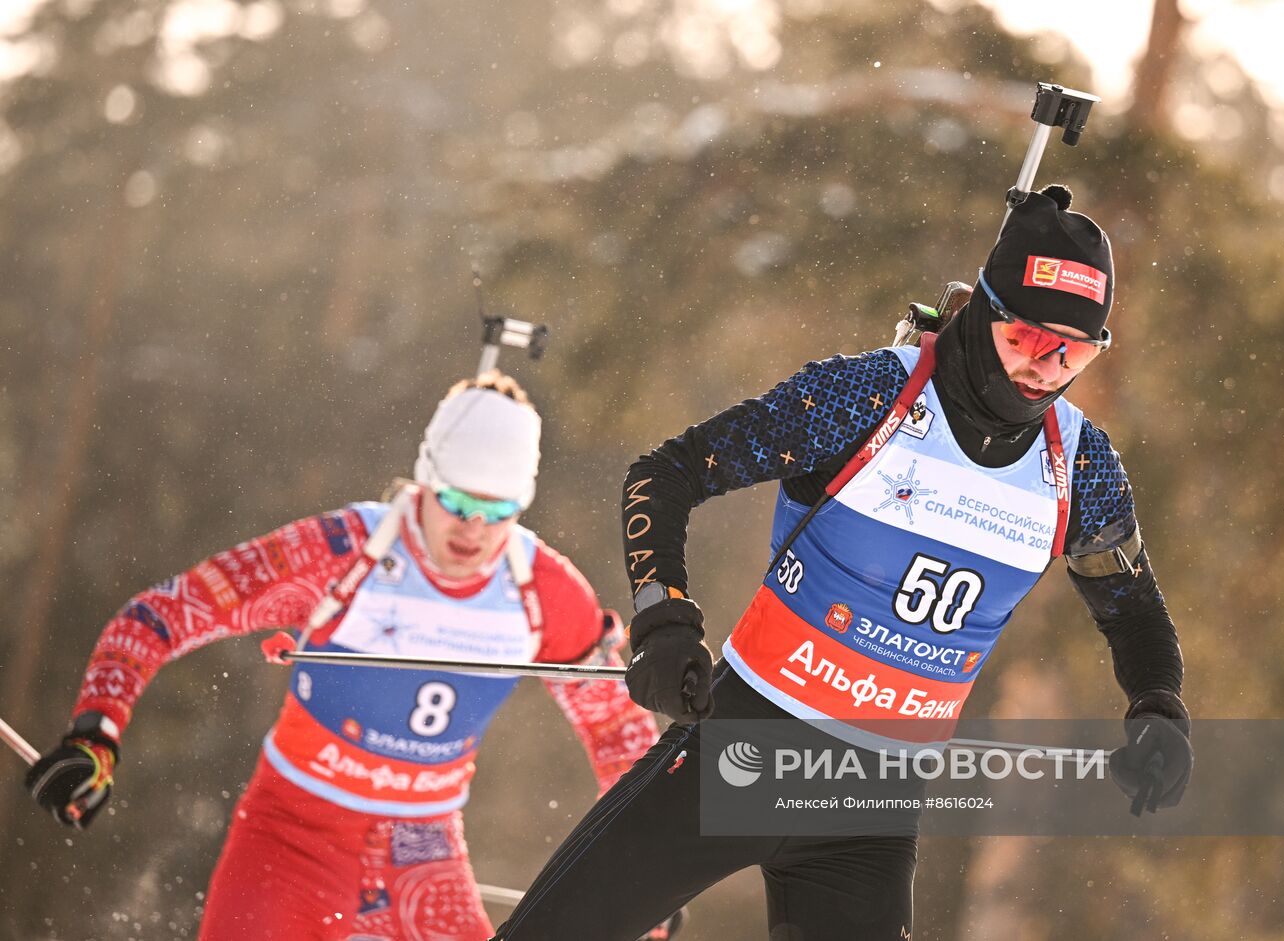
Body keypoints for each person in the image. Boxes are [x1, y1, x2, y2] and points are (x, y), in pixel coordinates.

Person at [490, 185, 1193, 940]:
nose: (1046, 369)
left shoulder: (1078, 462)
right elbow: (666, 473)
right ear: (987, 308)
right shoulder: (871, 395)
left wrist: (1158, 708)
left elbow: (1134, 612)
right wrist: (664, 616)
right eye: (1025, 338)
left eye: (1075, 349)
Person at [25, 373, 671, 941]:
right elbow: (162, 613)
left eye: (496, 509)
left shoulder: (543, 591)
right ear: (425, 478)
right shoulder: (341, 554)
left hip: (423, 855)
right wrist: (96, 734)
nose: (473, 528)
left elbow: (617, 731)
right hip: (291, 837)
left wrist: (648, 877)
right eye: (456, 501)